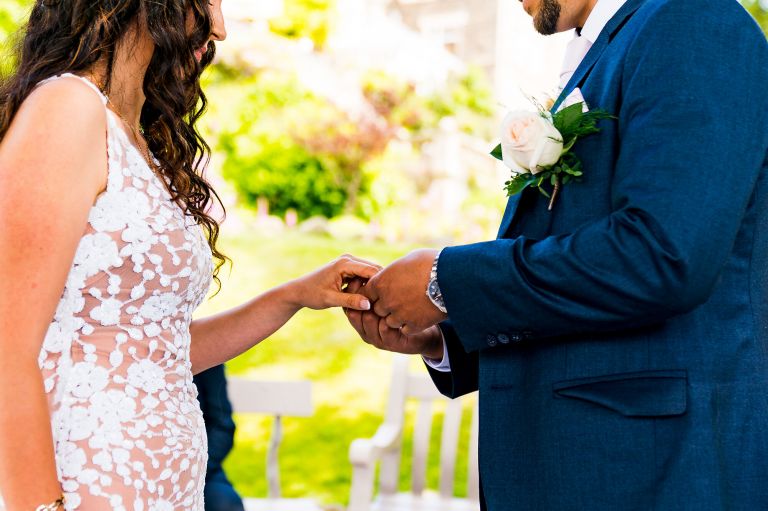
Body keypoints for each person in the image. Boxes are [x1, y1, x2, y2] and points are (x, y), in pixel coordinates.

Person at [346, 0, 768, 509]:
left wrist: (448, 280)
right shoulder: (623, 42)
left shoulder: (693, 22)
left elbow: (661, 256)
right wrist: (442, 340)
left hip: (656, 472)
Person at [0, 1, 379, 509]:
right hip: (85, 482)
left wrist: (294, 296)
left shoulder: (137, 137)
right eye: (210, 1)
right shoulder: (67, 109)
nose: (219, 27)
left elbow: (156, 352)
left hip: (170, 490)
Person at [194, 365, 244, 511]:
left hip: (202, 468)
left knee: (226, 503)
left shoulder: (204, 353)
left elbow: (223, 425)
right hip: (130, 468)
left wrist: (196, 467)